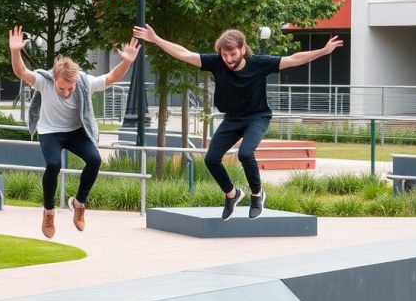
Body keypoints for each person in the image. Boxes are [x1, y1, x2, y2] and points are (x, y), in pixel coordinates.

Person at [133, 24, 343, 220]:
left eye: (232, 54)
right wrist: (157, 39)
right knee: (211, 159)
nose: (228, 59)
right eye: (224, 55)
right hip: (232, 119)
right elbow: (185, 55)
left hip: (257, 117)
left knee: (245, 153)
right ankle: (232, 194)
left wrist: (322, 52)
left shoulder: (259, 63)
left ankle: (257, 194)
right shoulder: (216, 62)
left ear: (243, 49)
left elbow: (293, 59)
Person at [9, 26, 140, 238]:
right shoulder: (45, 81)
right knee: (53, 164)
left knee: (95, 160)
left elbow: (113, 77)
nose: (66, 92)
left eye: (70, 88)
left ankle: (78, 203)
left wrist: (127, 61)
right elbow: (21, 72)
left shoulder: (84, 82)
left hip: (76, 131)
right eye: (62, 89)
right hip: (50, 131)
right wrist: (15, 51)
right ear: (55, 79)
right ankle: (49, 211)